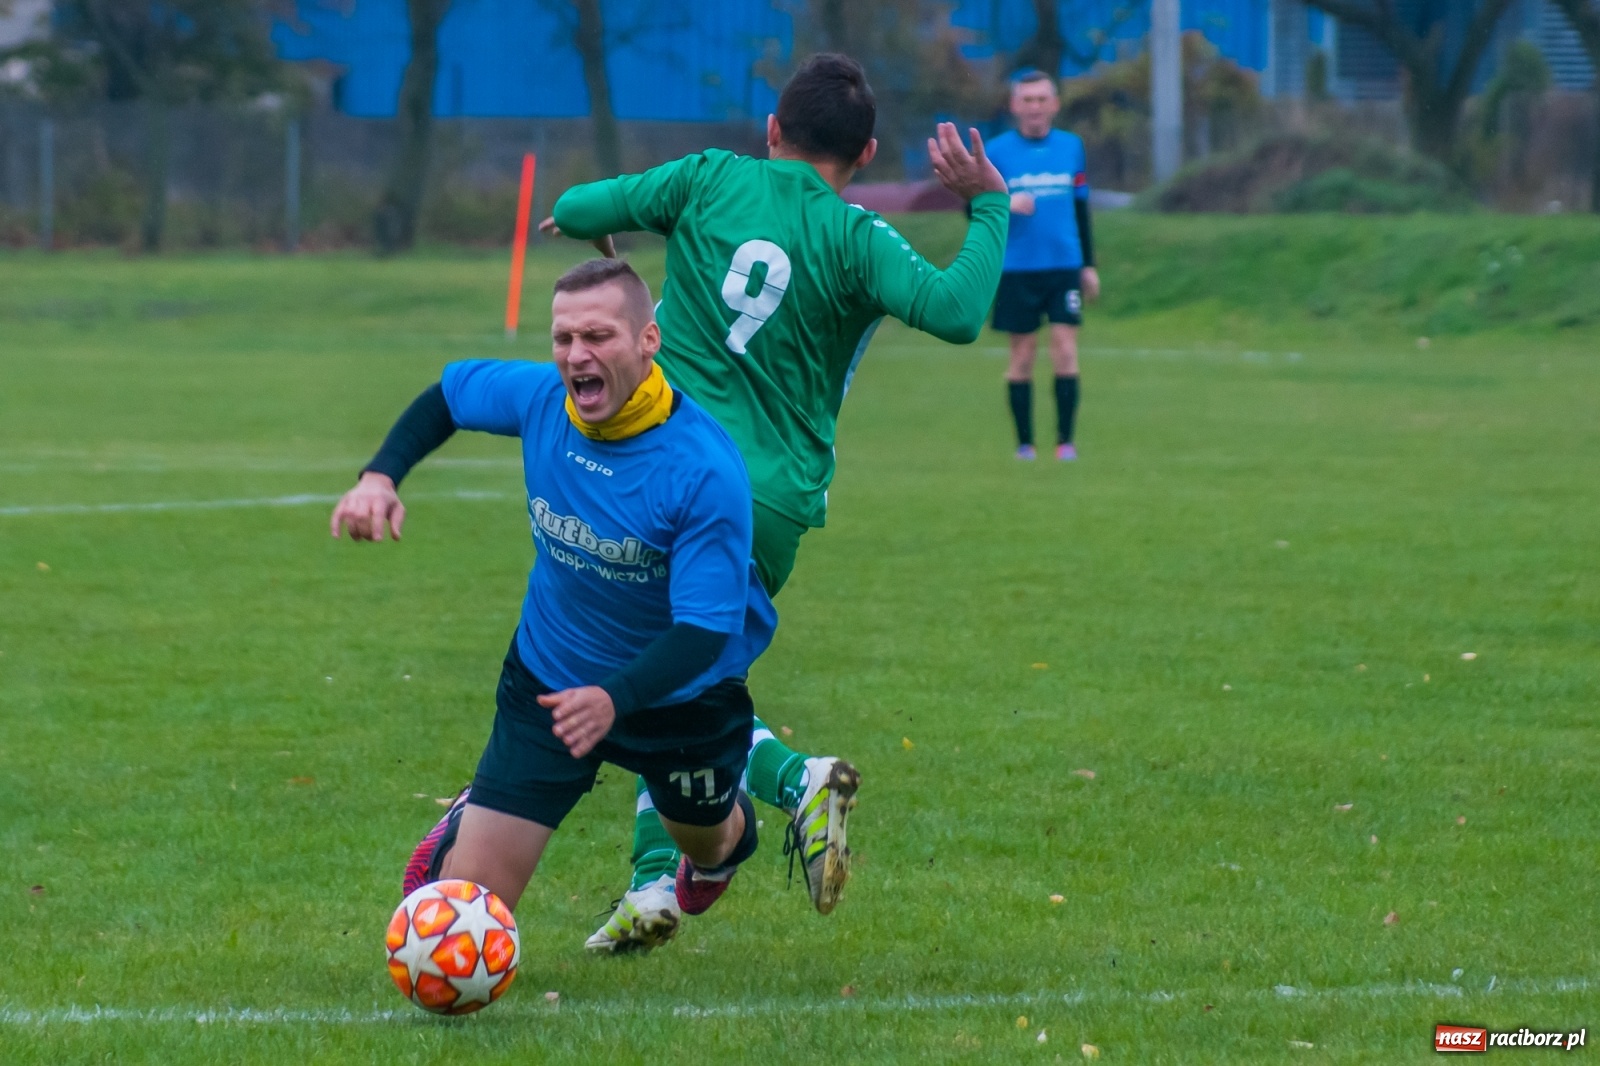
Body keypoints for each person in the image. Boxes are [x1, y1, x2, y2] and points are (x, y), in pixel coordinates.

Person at [542, 51, 1010, 952]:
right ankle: (658, 883)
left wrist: (611, 242)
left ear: (771, 130)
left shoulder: (711, 178)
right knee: (669, 673)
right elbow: (957, 311)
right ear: (865, 153)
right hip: (776, 503)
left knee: (654, 675)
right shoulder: (857, 236)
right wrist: (985, 203)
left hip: (666, 474)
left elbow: (578, 209)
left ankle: (794, 782)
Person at [329, 258, 777, 923]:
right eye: (564, 338)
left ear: (648, 341)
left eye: (598, 336)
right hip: (551, 680)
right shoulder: (541, 400)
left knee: (710, 842)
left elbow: (704, 632)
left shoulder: (702, 470)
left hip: (681, 702)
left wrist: (614, 698)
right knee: (463, 914)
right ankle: (473, 821)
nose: (576, 355)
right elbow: (447, 397)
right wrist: (380, 476)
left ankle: (718, 847)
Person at [985, 69, 1100, 461]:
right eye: (1027, 100)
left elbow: (1081, 207)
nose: (1035, 107)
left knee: (1066, 349)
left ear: (1054, 104)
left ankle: (1065, 443)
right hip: (1017, 268)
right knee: (1022, 356)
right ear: (1015, 105)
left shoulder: (1072, 147)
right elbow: (974, 209)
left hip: (1063, 264)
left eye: (1041, 99)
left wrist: (1088, 264)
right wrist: (1005, 203)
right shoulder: (996, 152)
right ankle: (1025, 446)